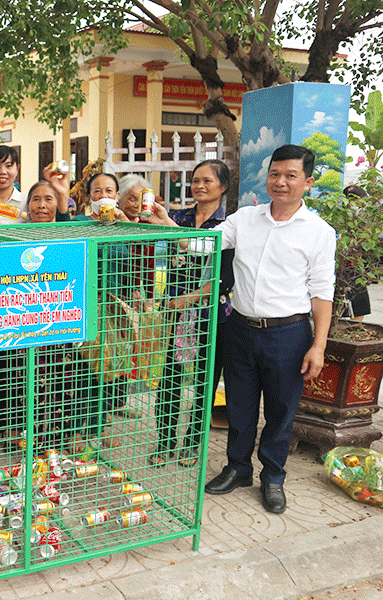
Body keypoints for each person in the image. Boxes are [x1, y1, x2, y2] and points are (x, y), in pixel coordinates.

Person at [150, 145, 335, 513]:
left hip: (288, 333)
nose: (280, 182)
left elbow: (322, 292)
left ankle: (273, 477)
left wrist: (318, 345)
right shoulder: (244, 219)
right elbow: (203, 245)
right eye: (274, 174)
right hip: (241, 328)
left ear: (308, 182)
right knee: (240, 406)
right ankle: (237, 468)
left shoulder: (319, 232)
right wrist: (168, 225)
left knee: (281, 410)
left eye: (290, 175)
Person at [151, 159, 234, 468]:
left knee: (204, 382)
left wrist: (191, 298)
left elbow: (227, 276)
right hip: (175, 314)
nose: (199, 185)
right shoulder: (178, 217)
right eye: (195, 180)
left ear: (222, 187)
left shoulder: (229, 225)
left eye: (207, 181)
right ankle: (165, 441)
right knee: (169, 380)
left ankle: (191, 444)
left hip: (210, 316)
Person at [341, 185, 371, 321]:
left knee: (359, 293)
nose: (363, 206)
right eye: (360, 202)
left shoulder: (363, 219)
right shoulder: (341, 217)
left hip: (355, 260)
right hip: (344, 261)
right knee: (351, 293)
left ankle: (356, 325)